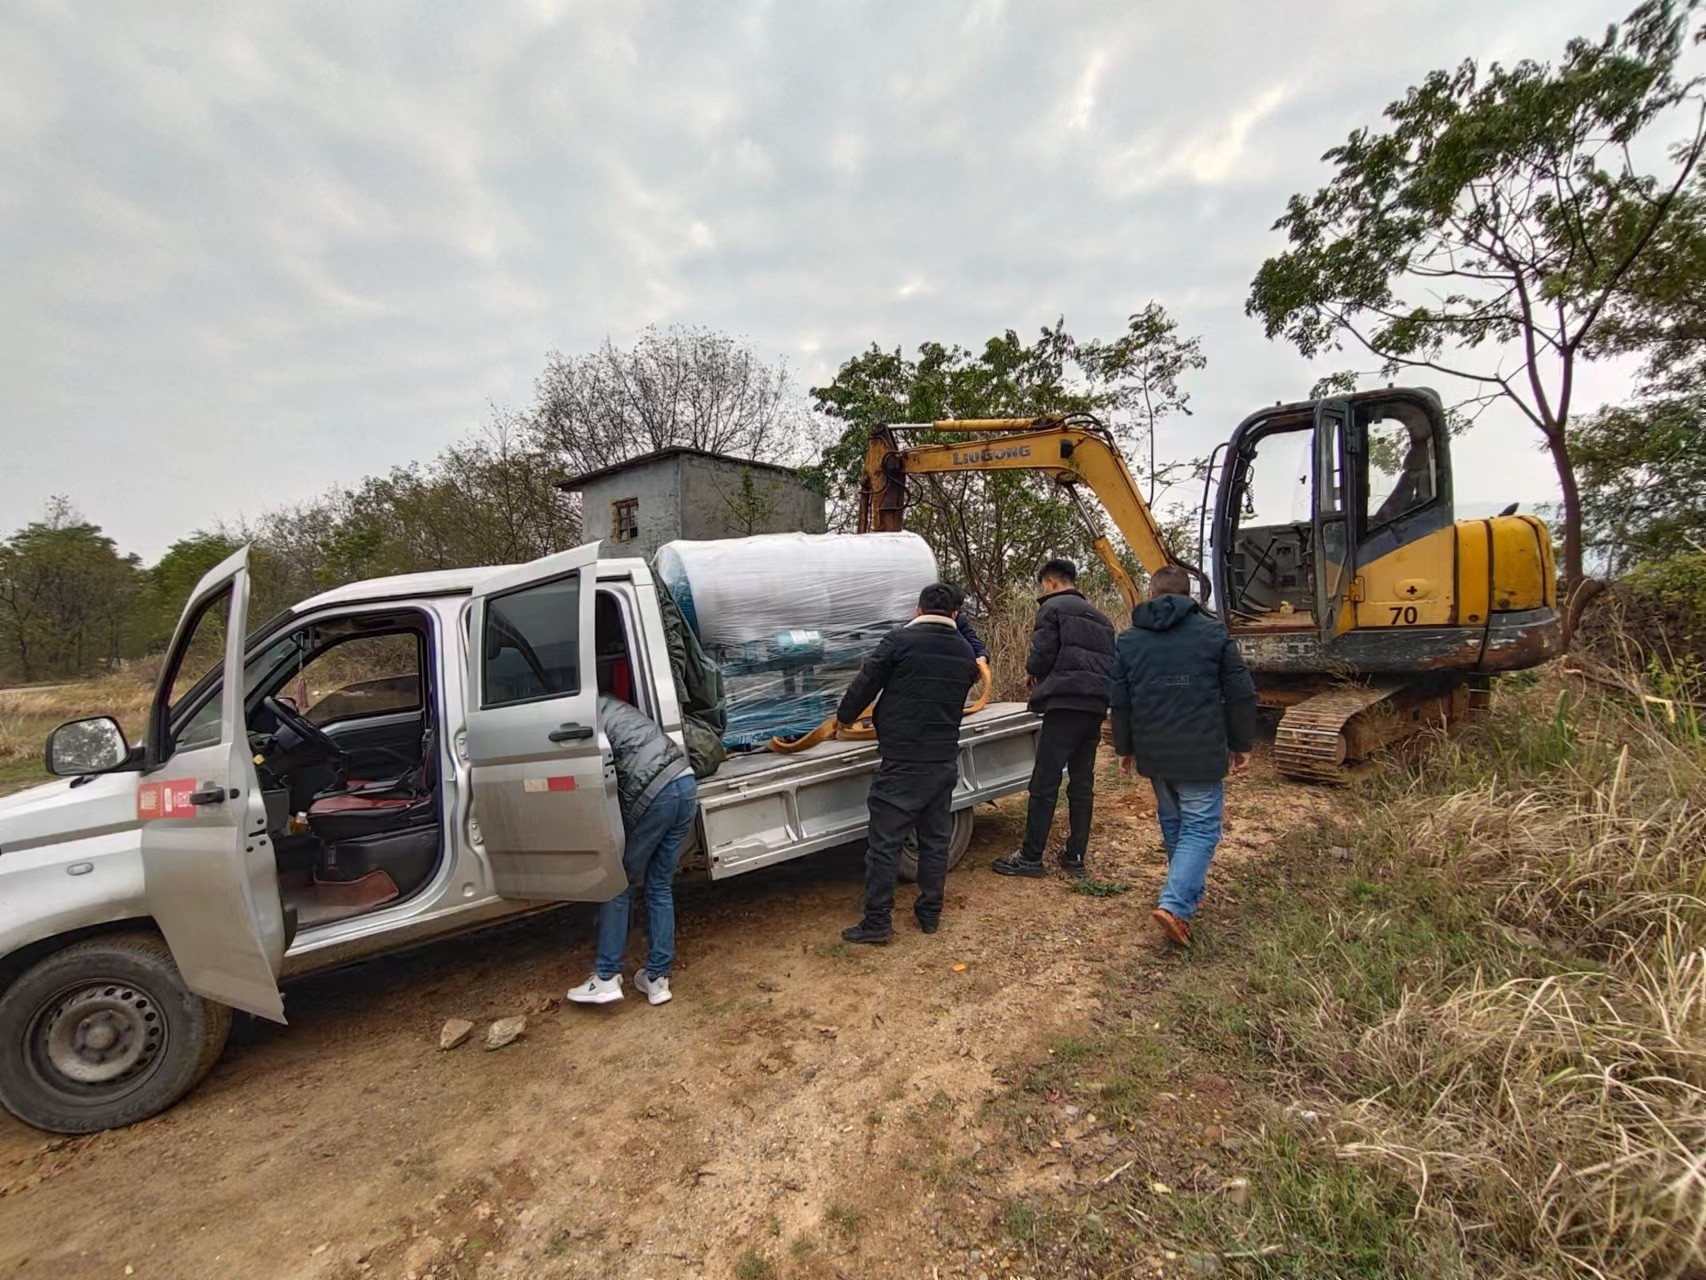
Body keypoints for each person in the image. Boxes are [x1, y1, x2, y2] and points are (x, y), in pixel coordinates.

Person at [1109, 564, 1257, 948]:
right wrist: (1241, 744)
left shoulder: (1129, 641)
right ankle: (1175, 904)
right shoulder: (1213, 633)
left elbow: (1120, 702)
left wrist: (1124, 749)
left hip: (1154, 751)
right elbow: (1240, 692)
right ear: (1189, 596)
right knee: (1202, 827)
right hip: (1201, 749)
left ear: (1151, 593)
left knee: (1175, 821)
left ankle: (1181, 894)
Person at [838, 582, 982, 944]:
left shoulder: (899, 641)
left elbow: (867, 682)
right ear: (954, 615)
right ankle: (930, 913)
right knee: (935, 841)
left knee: (885, 843)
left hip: (902, 761)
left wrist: (844, 717)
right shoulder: (966, 652)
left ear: (918, 611)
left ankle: (877, 923)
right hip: (942, 760)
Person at [566, 694, 697, 1006]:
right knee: (659, 886)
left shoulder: (581, 721)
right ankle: (657, 980)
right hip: (684, 781)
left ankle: (607, 976)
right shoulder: (615, 708)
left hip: (656, 792)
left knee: (618, 882)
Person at [992, 558, 1115, 880]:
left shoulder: (1052, 608)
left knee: (1045, 782)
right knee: (1082, 781)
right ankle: (1075, 856)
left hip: (1064, 704)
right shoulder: (1102, 619)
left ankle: (1031, 857)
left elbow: (1042, 654)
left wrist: (1033, 674)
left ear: (1050, 582)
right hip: (1095, 706)